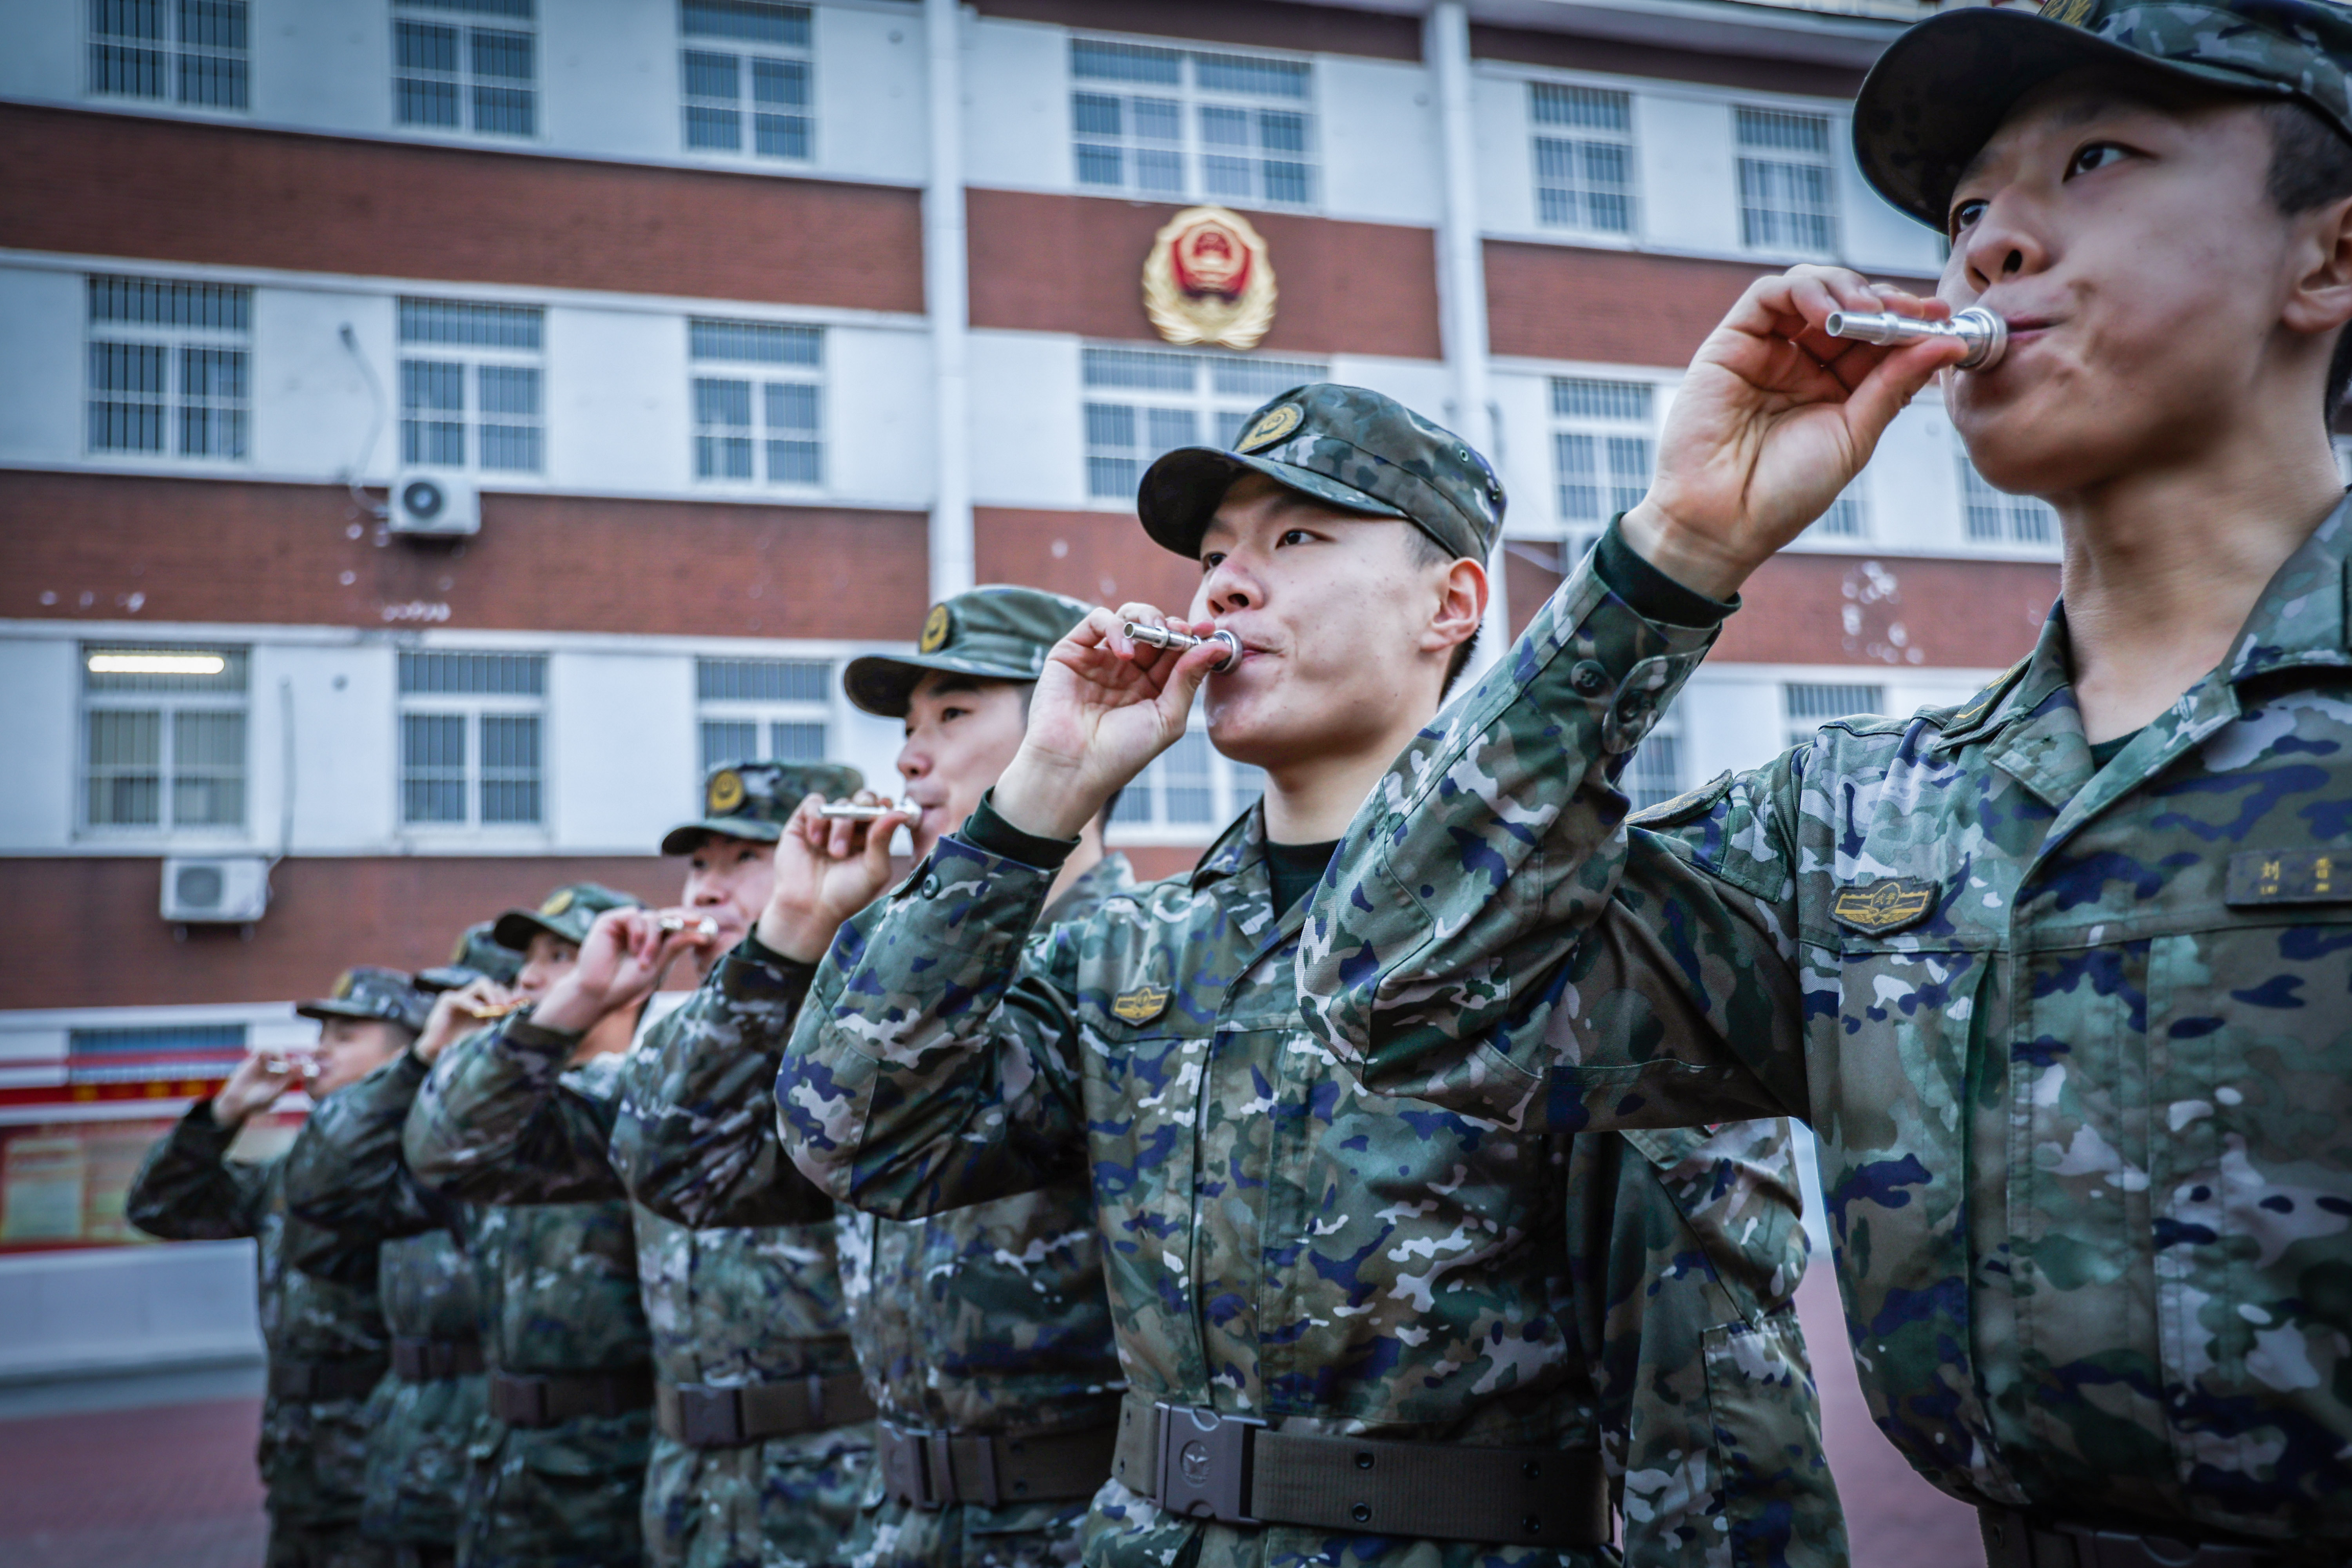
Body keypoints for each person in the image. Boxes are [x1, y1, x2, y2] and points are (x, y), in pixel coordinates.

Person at [1298, 4, 2352, 1562]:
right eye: (1965, 212)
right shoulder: (1868, 820)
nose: (1991, 248)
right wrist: (1674, 551)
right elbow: (1396, 990)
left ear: (2330, 257)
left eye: (2099, 159)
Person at [780, 386, 1845, 1568]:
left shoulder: (1586, 945)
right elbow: (862, 1133)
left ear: (1451, 604)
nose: (1225, 588)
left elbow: (1716, 1431)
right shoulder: (1131, 952)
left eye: (1295, 538)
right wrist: (1038, 798)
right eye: (1212, 557)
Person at [613, 586, 1132, 1568]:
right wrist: (790, 934)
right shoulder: (878, 976)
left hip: (1081, 1526)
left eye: (953, 713)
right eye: (906, 728)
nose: (909, 758)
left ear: (1080, 707)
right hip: (894, 1523)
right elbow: (679, 1168)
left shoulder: (1138, 959)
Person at [421, 762, 879, 1568]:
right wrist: (578, 1000)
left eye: (746, 858)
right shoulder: (661, 1066)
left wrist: (787, 944)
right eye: (699, 864)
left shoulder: (877, 1040)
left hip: (838, 1489)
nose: (706, 888)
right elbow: (450, 1150)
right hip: (685, 1496)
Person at [128, 966, 430, 1568]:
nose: (321, 1050)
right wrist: (225, 1114)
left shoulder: (418, 1176)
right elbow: (161, 1208)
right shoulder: (292, 1176)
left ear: (401, 1059)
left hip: (388, 1461)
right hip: (299, 1462)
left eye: (346, 1036)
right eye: (322, 1034)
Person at [285, 929, 520, 1568]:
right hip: (404, 1454)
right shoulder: (413, 1141)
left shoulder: (544, 1137)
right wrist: (416, 1066)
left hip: (508, 1463)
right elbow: (319, 1220)